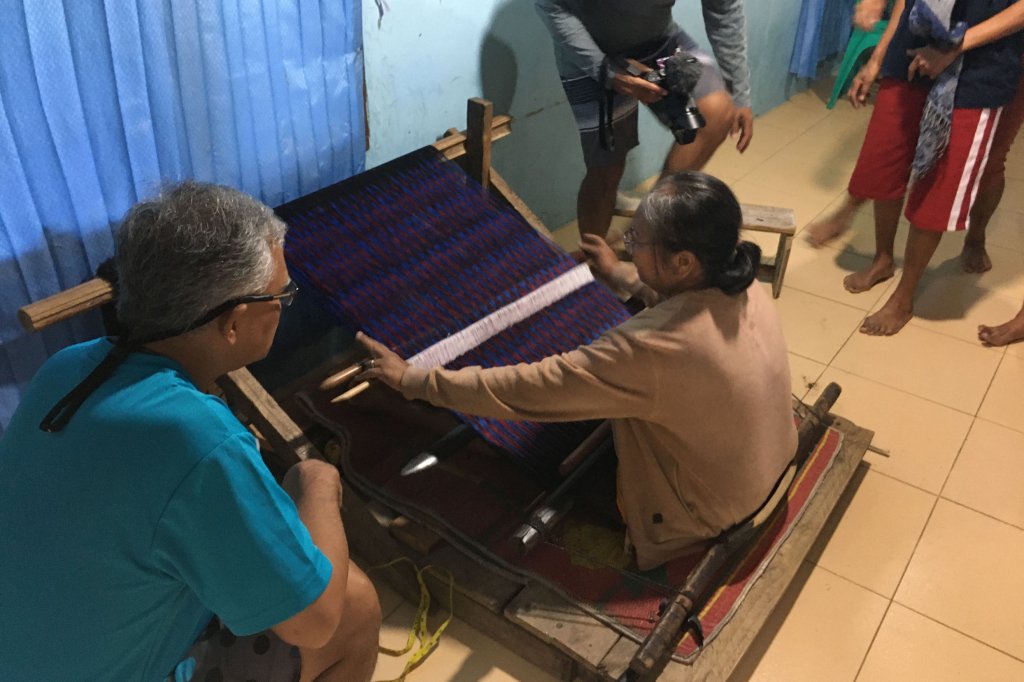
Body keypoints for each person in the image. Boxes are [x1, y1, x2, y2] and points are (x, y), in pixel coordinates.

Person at [0, 182, 381, 681]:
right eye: (282, 294)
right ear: (233, 322)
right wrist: (316, 484)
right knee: (353, 604)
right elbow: (313, 623)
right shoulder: (198, 438)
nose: (285, 304)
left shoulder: (67, 369)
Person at [352, 172, 796, 571]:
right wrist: (620, 274)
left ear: (683, 262)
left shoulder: (648, 350)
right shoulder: (744, 282)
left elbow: (532, 389)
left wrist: (414, 381)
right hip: (771, 466)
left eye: (638, 241)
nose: (629, 246)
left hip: (712, 512)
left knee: (557, 449)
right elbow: (681, 301)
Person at [805, 0, 1024, 336]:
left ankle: (905, 295)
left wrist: (955, 45)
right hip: (913, 48)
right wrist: (878, 57)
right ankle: (882, 259)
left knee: (943, 183)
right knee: (886, 158)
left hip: (981, 64)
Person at [534, 0, 754, 241]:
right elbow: (552, 5)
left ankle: (648, 225)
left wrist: (739, 93)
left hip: (659, 41)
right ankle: (594, 260)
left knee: (716, 113)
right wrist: (606, 72)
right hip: (590, 50)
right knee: (607, 165)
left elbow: (724, 9)